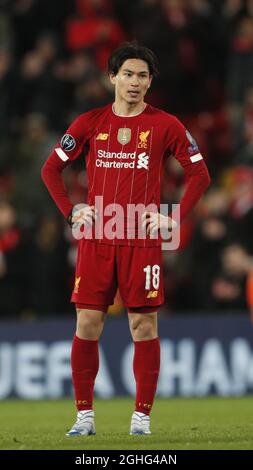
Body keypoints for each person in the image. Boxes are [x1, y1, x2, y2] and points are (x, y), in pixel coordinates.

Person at [41, 41, 210, 436]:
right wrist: (71, 211)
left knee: (144, 328)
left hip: (141, 239)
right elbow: (51, 170)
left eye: (143, 76)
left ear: (151, 83)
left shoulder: (166, 125)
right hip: (98, 239)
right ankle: (84, 418)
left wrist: (175, 218)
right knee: (87, 324)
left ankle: (141, 420)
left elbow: (200, 175)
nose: (135, 82)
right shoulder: (89, 122)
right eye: (128, 74)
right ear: (112, 77)